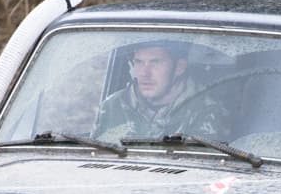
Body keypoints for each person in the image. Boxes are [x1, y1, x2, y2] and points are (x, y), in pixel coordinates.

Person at [92, 41, 230, 141]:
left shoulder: (207, 110)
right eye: (139, 62)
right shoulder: (112, 106)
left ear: (179, 67)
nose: (145, 73)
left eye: (155, 62)